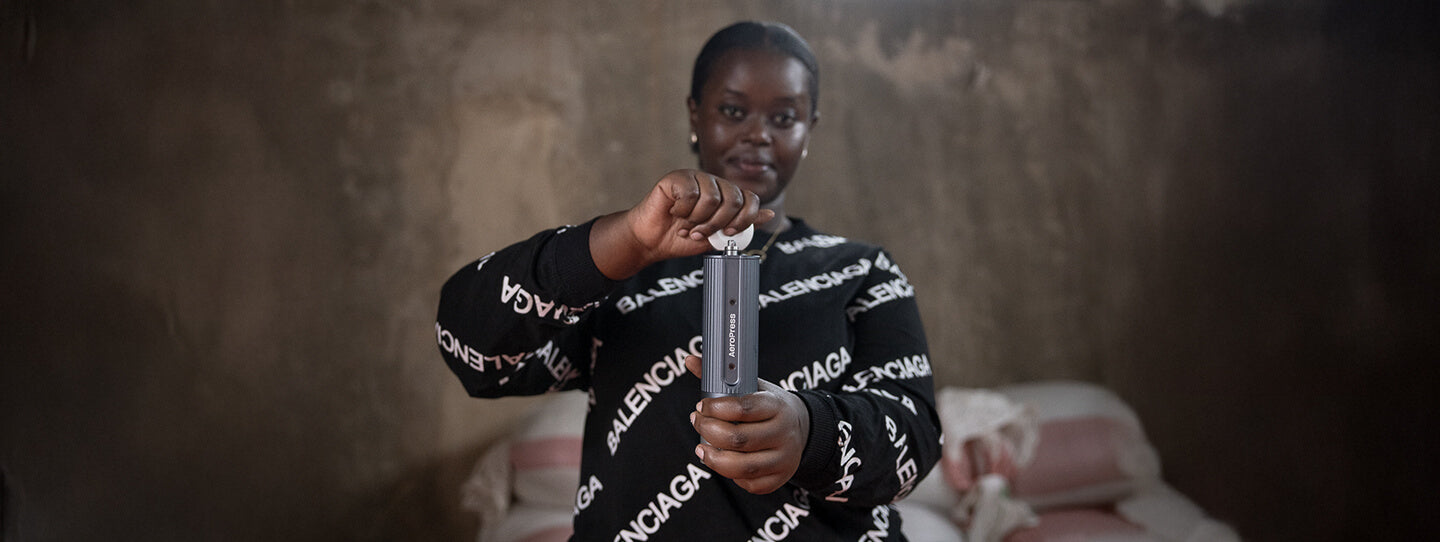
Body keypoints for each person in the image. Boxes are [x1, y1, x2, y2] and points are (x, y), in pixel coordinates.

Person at [436, 21, 941, 540]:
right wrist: (624, 242)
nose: (758, 133)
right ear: (695, 115)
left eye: (784, 117)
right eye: (732, 110)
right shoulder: (619, 269)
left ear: (809, 128)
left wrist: (808, 431)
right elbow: (471, 351)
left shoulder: (860, 271)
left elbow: (916, 442)